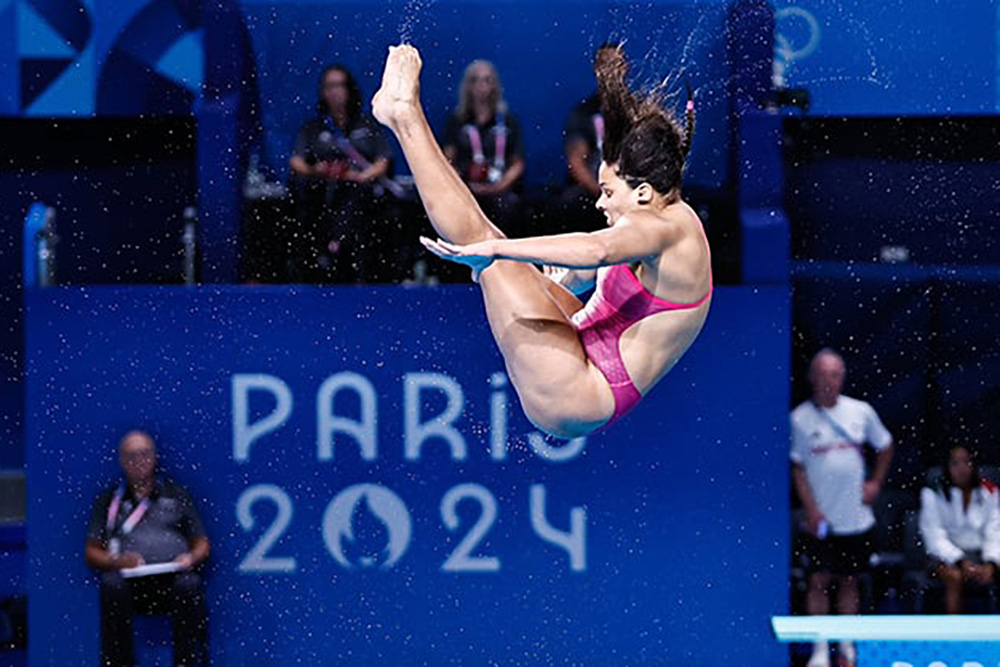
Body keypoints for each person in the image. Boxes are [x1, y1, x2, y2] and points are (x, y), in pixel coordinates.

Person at [371, 43, 710, 437]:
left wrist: (497, 251)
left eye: (608, 191)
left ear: (643, 192)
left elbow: (595, 250)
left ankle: (404, 116)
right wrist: (557, 282)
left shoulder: (668, 229)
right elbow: (604, 277)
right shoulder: (657, 218)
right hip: (582, 350)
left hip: (578, 392)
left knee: (487, 243)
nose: (600, 202)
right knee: (498, 253)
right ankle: (400, 117)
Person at [790, 348, 895, 667]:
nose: (828, 381)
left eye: (834, 374)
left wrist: (875, 482)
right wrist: (811, 510)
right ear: (811, 378)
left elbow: (886, 445)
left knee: (850, 580)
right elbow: (798, 469)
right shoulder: (799, 419)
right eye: (822, 374)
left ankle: (847, 647)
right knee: (819, 580)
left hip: (856, 519)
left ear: (843, 378)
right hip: (821, 520)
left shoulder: (860, 412)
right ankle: (821, 650)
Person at [85, 431, 210, 667]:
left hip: (172, 581)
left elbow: (202, 543)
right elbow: (92, 551)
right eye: (131, 455)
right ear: (122, 460)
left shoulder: (177, 494)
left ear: (154, 457)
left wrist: (190, 558)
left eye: (144, 454)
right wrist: (118, 561)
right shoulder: (110, 499)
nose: (138, 460)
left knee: (190, 584)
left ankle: (188, 663)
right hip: (130, 585)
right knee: (111, 585)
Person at [289, 64, 395, 283]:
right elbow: (296, 161)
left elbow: (383, 159)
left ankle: (337, 245)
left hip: (360, 191)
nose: (334, 92)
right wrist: (315, 170)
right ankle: (323, 254)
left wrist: (362, 176)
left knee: (358, 196)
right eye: (329, 86)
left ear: (349, 89)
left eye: (339, 86)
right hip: (323, 191)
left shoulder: (367, 124)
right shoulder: (314, 127)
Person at [442, 60, 525, 236]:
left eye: (487, 80)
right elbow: (447, 160)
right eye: (476, 80)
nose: (481, 86)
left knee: (509, 208)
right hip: (466, 189)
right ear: (468, 86)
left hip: (500, 189)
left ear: (495, 84)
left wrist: (499, 187)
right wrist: (464, 186)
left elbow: (518, 163)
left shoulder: (508, 121)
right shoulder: (457, 121)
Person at [919, 445, 1000, 613]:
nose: (962, 468)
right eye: (955, 463)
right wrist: (960, 560)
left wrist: (991, 564)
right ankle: (954, 632)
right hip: (944, 558)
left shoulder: (990, 492)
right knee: (954, 577)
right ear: (947, 467)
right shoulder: (933, 494)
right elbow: (934, 537)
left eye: (966, 462)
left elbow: (995, 532)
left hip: (981, 555)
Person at [550, 44, 621, 235]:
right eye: (605, 64)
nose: (612, 69)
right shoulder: (583, 113)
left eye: (617, 63)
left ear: (626, 67)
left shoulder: (637, 112)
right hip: (595, 188)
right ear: (596, 70)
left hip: (629, 188)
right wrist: (604, 193)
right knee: (569, 202)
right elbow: (576, 164)